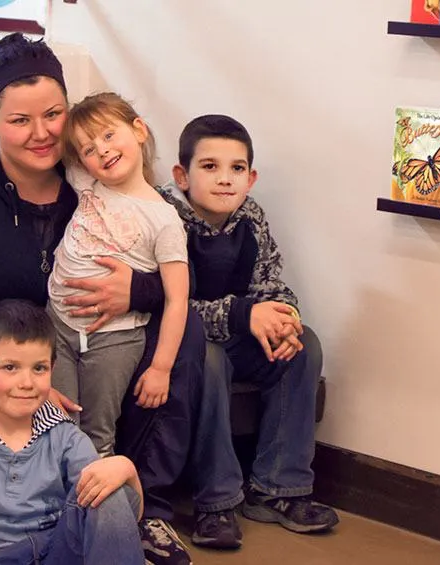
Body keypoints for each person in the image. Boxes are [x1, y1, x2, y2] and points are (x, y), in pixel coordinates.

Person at [0, 33, 202, 565]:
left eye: (53, 115)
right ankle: (44, 527)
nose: (41, 133)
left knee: (186, 332)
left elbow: (180, 275)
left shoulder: (90, 176)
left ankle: (144, 507)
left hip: (92, 340)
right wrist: (25, 375)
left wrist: (136, 289)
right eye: (19, 120)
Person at [158, 115, 340, 550]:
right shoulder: (163, 218)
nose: (225, 179)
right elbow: (168, 307)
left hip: (237, 335)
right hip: (178, 343)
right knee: (209, 356)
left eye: (236, 168)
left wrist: (284, 317)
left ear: (250, 177)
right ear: (182, 175)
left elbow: (269, 283)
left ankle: (277, 488)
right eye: (209, 167)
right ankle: (215, 501)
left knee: (304, 345)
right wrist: (244, 315)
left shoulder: (250, 217)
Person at [0, 299, 145, 565]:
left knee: (109, 487)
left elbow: (119, 520)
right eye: (10, 367)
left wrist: (127, 469)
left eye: (39, 368)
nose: (26, 383)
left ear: (52, 370)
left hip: (55, 552)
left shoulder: (64, 437)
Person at [49, 92, 189, 458]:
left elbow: (177, 299)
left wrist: (161, 368)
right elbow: (48, 142)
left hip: (114, 339)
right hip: (58, 324)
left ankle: (104, 491)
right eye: (89, 149)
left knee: (97, 431)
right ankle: (59, 493)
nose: (102, 151)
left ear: (139, 130)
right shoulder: (88, 182)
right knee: (58, 424)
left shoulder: (165, 219)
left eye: (109, 135)